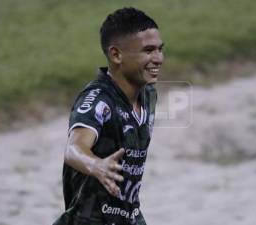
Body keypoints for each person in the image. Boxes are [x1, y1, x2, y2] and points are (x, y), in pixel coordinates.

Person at [53, 7, 164, 225]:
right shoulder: (98, 99)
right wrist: (96, 165)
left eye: (160, 49)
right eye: (148, 50)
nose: (158, 58)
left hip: (129, 216)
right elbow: (74, 148)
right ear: (116, 55)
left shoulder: (148, 94)